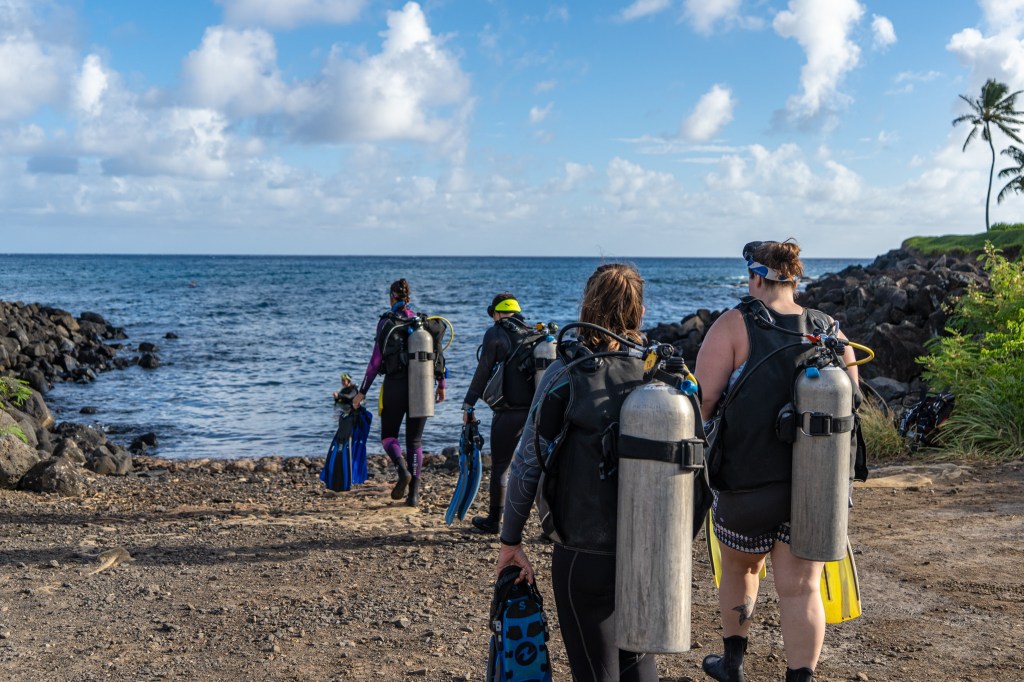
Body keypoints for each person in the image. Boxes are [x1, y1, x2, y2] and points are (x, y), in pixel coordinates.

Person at [694, 240, 860, 682]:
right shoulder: (829, 328)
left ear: (756, 278)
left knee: (741, 568)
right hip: (816, 484)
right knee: (802, 587)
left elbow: (703, 401)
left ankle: (732, 666)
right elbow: (852, 400)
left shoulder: (734, 324)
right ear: (795, 278)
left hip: (748, 484)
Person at [496, 263, 658, 681]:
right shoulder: (658, 375)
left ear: (587, 307)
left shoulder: (564, 373)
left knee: (595, 672)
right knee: (639, 668)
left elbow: (527, 463)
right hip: (651, 555)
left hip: (584, 555)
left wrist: (510, 541)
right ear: (638, 313)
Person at [352, 279, 446, 507]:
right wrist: (441, 384)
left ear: (392, 297)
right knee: (415, 441)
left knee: (388, 437)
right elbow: (439, 355)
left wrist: (362, 391)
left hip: (395, 386)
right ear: (408, 297)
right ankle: (413, 495)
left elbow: (375, 361)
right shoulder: (424, 323)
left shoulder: (387, 322)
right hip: (422, 386)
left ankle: (402, 469)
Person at [461, 292, 534, 533]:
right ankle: (549, 524)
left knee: (501, 466)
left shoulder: (496, 332)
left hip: (508, 413)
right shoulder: (532, 333)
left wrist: (469, 405)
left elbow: (482, 372)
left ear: (496, 312)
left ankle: (494, 521)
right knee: (538, 468)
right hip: (536, 412)